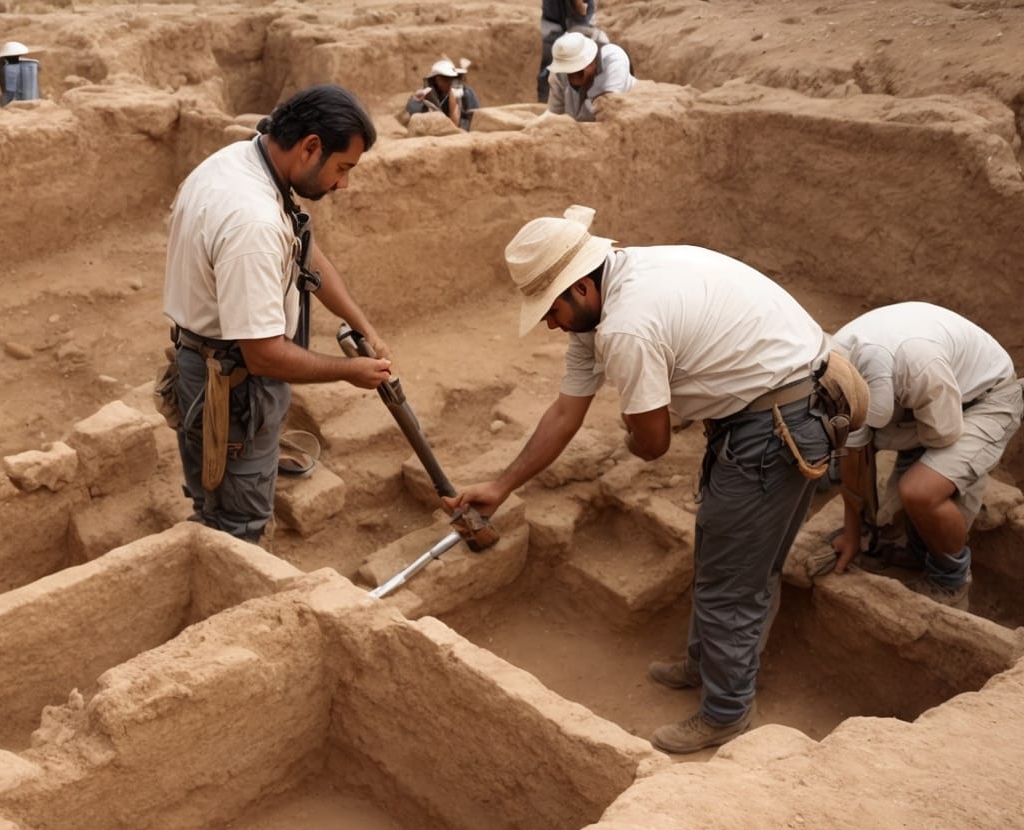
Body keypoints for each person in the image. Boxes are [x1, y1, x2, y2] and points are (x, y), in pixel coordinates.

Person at [445, 206, 860, 755]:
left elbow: (653, 443)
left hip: (778, 423)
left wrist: (632, 435)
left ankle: (726, 712)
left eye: (549, 309)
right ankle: (704, 661)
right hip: (768, 410)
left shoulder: (626, 325)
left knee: (734, 577)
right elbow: (566, 413)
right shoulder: (612, 289)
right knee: (721, 551)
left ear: (579, 288)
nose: (548, 323)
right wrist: (502, 486)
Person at [160, 85, 395, 543]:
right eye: (342, 167)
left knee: (212, 489)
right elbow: (264, 355)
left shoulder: (242, 161)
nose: (343, 183)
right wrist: (350, 371)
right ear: (310, 146)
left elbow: (306, 253)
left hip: (205, 365)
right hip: (233, 387)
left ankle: (210, 533)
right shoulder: (253, 223)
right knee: (240, 521)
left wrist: (364, 325)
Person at [825, 302, 1024, 609]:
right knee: (886, 491)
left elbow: (943, 434)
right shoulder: (840, 364)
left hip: (984, 400)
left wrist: (897, 448)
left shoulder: (920, 366)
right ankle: (917, 549)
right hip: (926, 401)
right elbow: (854, 459)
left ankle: (951, 579)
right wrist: (854, 533)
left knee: (920, 491)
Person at [545, 31, 632, 123]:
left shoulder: (614, 62)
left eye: (578, 70)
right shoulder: (559, 74)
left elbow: (609, 111)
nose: (573, 76)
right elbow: (554, 114)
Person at [539, 0, 596, 101]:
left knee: (549, 70)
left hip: (549, 26)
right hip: (562, 29)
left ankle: (546, 100)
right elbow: (581, 9)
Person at [405, 58, 478, 131]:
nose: (449, 82)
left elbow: (474, 114)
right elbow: (413, 114)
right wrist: (415, 100)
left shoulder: (466, 92)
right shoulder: (427, 93)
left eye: (451, 78)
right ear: (436, 80)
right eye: (445, 79)